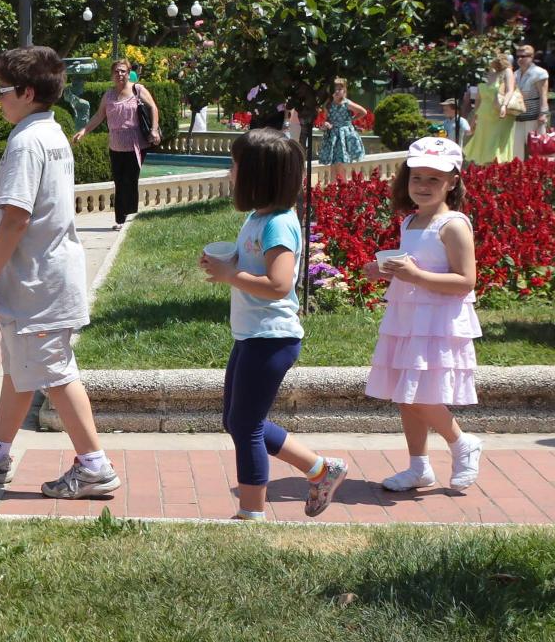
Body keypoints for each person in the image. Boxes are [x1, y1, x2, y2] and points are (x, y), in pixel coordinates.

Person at [0, 46, 121, 500]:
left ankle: (94, 466)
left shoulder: (25, 142)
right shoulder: (52, 132)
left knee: (56, 373)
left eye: (2, 91)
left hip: (36, 280)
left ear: (25, 92)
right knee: (21, 369)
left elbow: (16, 217)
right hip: (45, 275)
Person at [198, 128, 348, 520]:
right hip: (252, 335)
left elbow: (280, 285)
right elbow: (255, 270)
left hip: (271, 338)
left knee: (245, 426)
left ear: (255, 176)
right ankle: (320, 469)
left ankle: (251, 515)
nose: (230, 172)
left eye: (235, 165)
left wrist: (230, 277)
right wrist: (227, 266)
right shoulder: (258, 217)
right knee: (237, 420)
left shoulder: (278, 224)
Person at [364, 137, 482, 492]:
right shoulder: (411, 222)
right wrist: (384, 270)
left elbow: (465, 280)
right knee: (405, 394)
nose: (424, 186)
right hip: (408, 318)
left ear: (453, 181)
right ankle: (419, 466)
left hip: (437, 322)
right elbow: (413, 264)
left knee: (419, 395)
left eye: (434, 179)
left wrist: (416, 276)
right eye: (417, 178)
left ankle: (462, 442)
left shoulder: (453, 225)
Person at [73, 59, 162, 231]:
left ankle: (129, 217)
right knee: (119, 182)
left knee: (130, 181)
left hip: (135, 145)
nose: (120, 74)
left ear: (129, 73)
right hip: (116, 146)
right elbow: (99, 116)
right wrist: (84, 131)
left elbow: (153, 108)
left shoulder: (138, 89)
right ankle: (120, 218)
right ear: (112, 75)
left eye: (123, 71)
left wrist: (154, 129)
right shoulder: (108, 95)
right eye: (116, 72)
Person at [463, 53, 517, 165]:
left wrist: (504, 105)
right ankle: (484, 171)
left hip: (499, 115)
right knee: (484, 143)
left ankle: (496, 170)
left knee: (496, 144)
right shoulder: (489, 74)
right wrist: (474, 119)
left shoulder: (507, 72)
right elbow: (478, 102)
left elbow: (510, 90)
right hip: (484, 116)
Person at [317, 78, 367, 178]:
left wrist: (351, 119)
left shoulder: (346, 103)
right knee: (333, 164)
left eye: (340, 89)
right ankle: (333, 189)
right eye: (335, 89)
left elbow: (363, 112)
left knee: (341, 164)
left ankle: (342, 187)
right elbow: (327, 119)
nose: (337, 91)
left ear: (344, 90)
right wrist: (326, 124)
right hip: (332, 136)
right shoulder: (328, 105)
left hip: (344, 136)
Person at [512, 44, 549, 159]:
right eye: (517, 56)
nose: (520, 59)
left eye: (524, 56)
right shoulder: (515, 74)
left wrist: (543, 114)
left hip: (534, 119)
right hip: (517, 118)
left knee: (536, 153)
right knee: (515, 153)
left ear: (532, 56)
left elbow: (544, 96)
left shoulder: (539, 73)